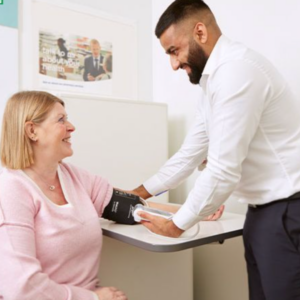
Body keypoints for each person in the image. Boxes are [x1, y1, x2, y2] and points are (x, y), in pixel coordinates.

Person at [130, 1, 300, 299]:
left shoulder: (237, 72)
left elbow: (222, 170)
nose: (173, 64)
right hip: (263, 214)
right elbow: (189, 154)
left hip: (287, 211)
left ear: (200, 31)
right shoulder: (214, 82)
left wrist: (177, 226)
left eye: (174, 51)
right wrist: (136, 195)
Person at [0, 91, 127, 300]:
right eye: (61, 119)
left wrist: (190, 212)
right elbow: (22, 288)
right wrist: (94, 298)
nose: (71, 127)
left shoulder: (71, 176)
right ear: (32, 131)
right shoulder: (11, 190)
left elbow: (126, 203)